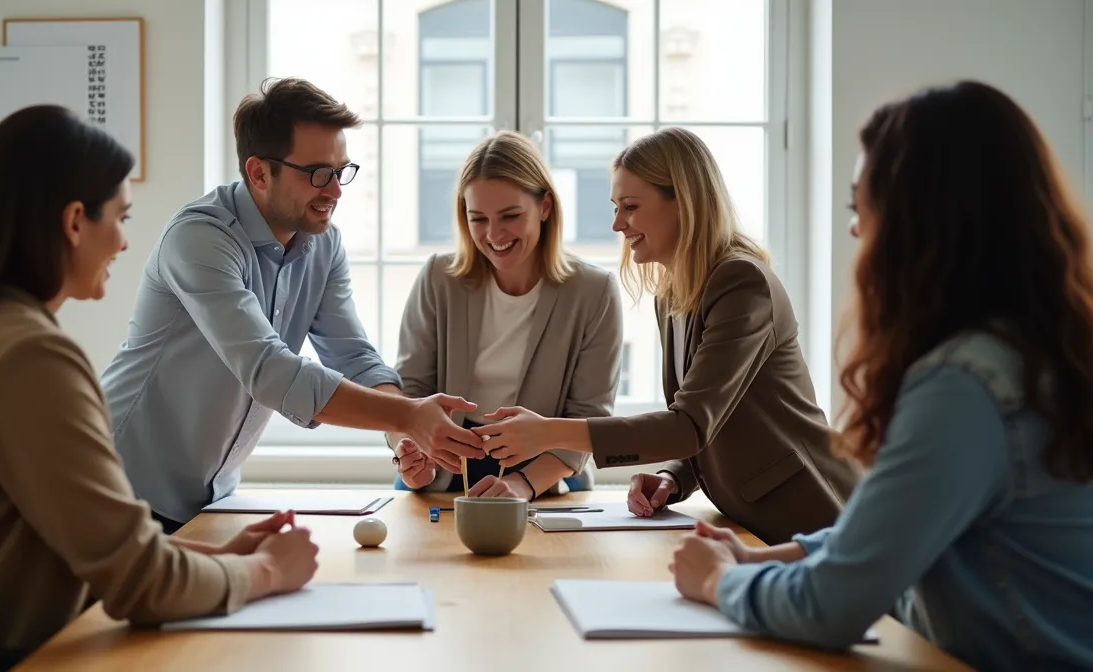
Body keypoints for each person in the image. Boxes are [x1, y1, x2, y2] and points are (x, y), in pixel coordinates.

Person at [0, 105, 319, 655]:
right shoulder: (28, 358)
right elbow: (140, 585)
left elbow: (101, 552)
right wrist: (266, 571)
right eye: (120, 218)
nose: (125, 242)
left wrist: (226, 558)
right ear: (75, 221)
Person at [669, 81, 1093, 671]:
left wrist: (718, 583)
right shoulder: (1036, 351)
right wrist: (758, 559)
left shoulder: (963, 387)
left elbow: (832, 606)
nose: (854, 231)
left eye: (859, 208)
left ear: (920, 225)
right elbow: (885, 533)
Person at [99, 78, 482, 533]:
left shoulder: (323, 245)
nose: (336, 191)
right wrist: (409, 416)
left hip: (209, 498)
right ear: (259, 173)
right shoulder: (200, 239)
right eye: (318, 173)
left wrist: (403, 438)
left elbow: (352, 355)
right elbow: (268, 369)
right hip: (117, 488)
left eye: (342, 171)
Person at [478, 127, 859, 544]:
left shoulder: (742, 283)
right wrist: (673, 476)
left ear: (683, 202)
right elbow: (709, 427)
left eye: (630, 207)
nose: (617, 224)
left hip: (815, 518)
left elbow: (687, 425)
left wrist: (548, 431)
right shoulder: (673, 292)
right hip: (752, 525)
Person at [390, 131, 622, 499]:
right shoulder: (439, 277)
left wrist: (520, 484)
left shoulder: (594, 292)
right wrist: (409, 455)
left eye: (510, 216)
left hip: (545, 472)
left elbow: (588, 418)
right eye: (477, 218)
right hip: (441, 469)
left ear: (545, 206)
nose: (493, 234)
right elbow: (408, 394)